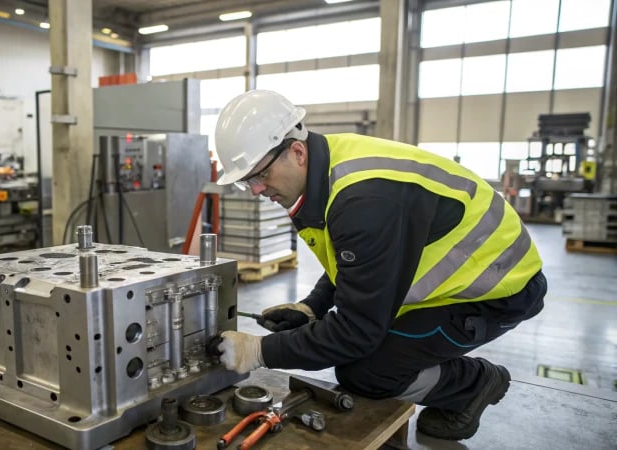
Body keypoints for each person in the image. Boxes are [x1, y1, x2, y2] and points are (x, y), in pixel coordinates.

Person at [213, 90, 546, 441]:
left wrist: (259, 351)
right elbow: (352, 257)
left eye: (260, 174)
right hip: (462, 274)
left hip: (498, 287)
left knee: (367, 372)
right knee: (364, 350)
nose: (255, 189)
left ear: (296, 151)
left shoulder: (364, 200)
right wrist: (313, 306)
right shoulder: (323, 170)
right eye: (247, 179)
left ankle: (475, 384)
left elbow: (356, 333)